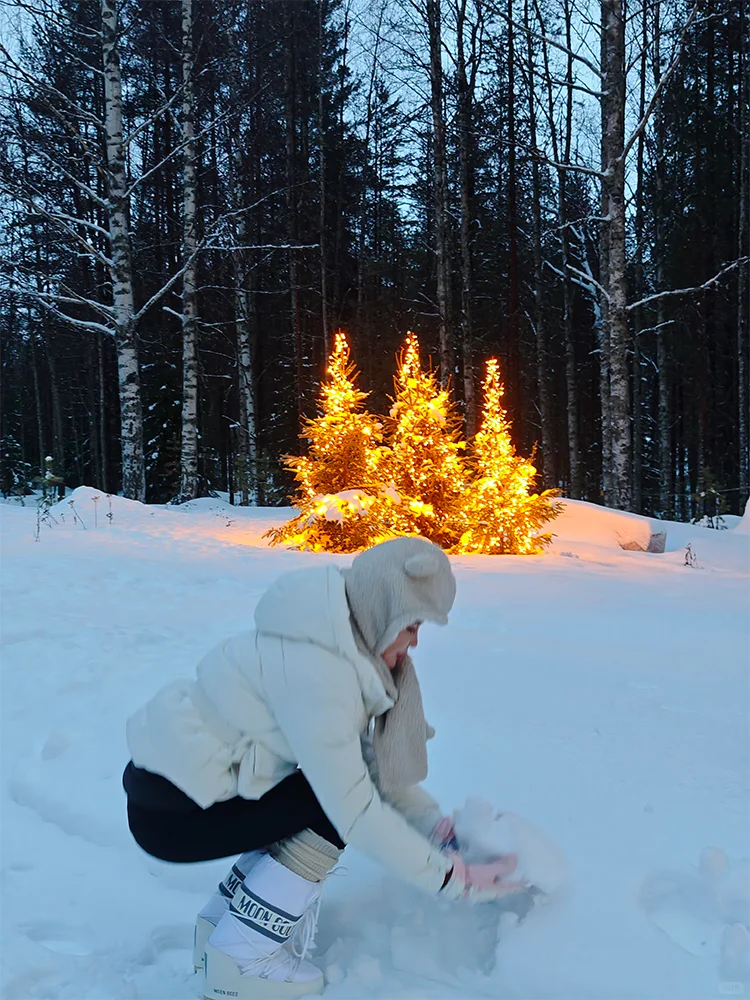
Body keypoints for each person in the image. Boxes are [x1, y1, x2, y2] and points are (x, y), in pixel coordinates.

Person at [123, 536, 522, 1000]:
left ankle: (221, 928)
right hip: (174, 816)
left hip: (175, 797)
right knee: (330, 806)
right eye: (413, 624)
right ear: (385, 609)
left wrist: (435, 829)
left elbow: (368, 762)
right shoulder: (319, 669)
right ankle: (240, 958)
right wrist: (451, 879)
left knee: (323, 791)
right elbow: (354, 805)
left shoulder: (325, 639)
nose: (415, 641)